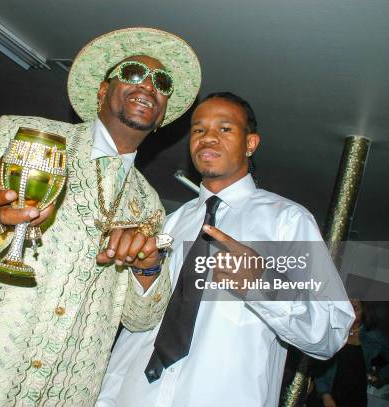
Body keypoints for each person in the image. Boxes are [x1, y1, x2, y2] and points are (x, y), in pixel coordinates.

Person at [0, 27, 201, 406]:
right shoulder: (22, 134)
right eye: (132, 73)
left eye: (161, 82)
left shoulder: (150, 205)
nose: (148, 86)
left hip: (66, 388)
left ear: (161, 118)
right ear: (102, 92)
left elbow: (141, 320)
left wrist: (147, 268)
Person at [96, 92, 355, 407]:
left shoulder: (287, 221)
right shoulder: (171, 222)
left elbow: (331, 332)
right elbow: (144, 326)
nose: (208, 138)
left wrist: (262, 283)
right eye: (199, 129)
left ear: (250, 143)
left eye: (225, 128)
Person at [311, 300, 389, 407]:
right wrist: (325, 395)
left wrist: (379, 378)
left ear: (364, 311)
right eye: (347, 307)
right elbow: (318, 365)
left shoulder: (373, 336)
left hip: (355, 398)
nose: (350, 312)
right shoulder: (332, 330)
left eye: (355, 309)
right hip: (328, 396)